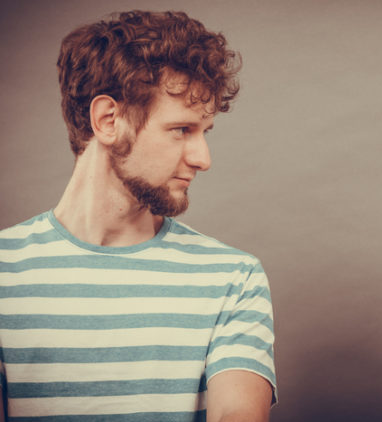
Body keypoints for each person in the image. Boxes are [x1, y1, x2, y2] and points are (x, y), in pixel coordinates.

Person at [0, 11, 276, 421]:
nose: (203, 159)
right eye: (182, 129)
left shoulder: (233, 278)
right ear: (109, 121)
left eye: (205, 132)